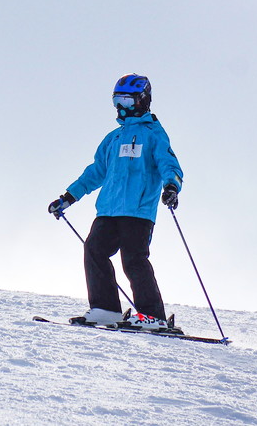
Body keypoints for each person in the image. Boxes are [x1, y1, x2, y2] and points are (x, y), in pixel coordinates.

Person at [47, 74, 183, 333]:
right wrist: (68, 197)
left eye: (127, 101)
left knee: (133, 260)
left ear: (142, 101)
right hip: (108, 209)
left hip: (138, 211)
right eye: (117, 101)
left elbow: (170, 165)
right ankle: (106, 309)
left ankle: (152, 315)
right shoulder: (113, 138)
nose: (122, 107)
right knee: (94, 250)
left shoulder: (154, 134)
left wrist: (172, 186)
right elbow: (95, 172)